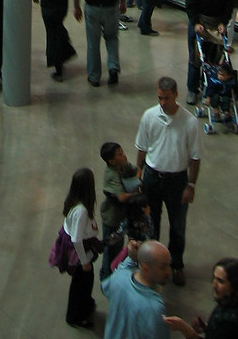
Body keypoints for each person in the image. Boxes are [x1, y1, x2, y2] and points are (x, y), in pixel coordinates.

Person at [135, 76, 202, 287]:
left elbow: (195, 157)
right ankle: (153, 266)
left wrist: (191, 185)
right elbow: (142, 147)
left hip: (177, 181)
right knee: (150, 223)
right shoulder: (149, 116)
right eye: (159, 98)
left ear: (176, 95)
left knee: (177, 226)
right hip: (153, 177)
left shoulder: (189, 122)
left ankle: (176, 265)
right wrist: (139, 173)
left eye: (166, 98)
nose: (163, 102)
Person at [165, 257, 238, 338]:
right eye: (214, 278)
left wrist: (184, 329)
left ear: (235, 285)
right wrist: (208, 328)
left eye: (220, 281)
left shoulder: (233, 319)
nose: (214, 284)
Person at [185, 0, 234, 104]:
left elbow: (229, 4)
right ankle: (192, 89)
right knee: (195, 58)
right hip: (200, 23)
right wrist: (195, 23)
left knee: (213, 60)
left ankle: (207, 85)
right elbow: (190, 3)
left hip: (216, 24)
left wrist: (223, 22)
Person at [101, 239, 172, 339]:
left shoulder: (118, 278)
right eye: (163, 267)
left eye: (169, 265)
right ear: (145, 267)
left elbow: (106, 287)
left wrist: (132, 257)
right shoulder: (154, 308)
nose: (169, 271)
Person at [61, 167, 101, 329]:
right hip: (81, 256)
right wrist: (84, 261)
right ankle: (76, 316)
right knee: (80, 285)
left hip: (82, 253)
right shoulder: (82, 211)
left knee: (83, 285)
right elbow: (76, 239)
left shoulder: (74, 203)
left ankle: (84, 306)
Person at [99, 141, 141, 279]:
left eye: (122, 152)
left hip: (122, 216)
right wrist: (136, 193)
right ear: (111, 161)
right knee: (111, 250)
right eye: (119, 154)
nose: (124, 155)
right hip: (112, 218)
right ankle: (107, 277)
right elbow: (122, 197)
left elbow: (137, 171)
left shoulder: (122, 165)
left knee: (118, 248)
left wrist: (136, 181)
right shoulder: (111, 174)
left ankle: (114, 273)